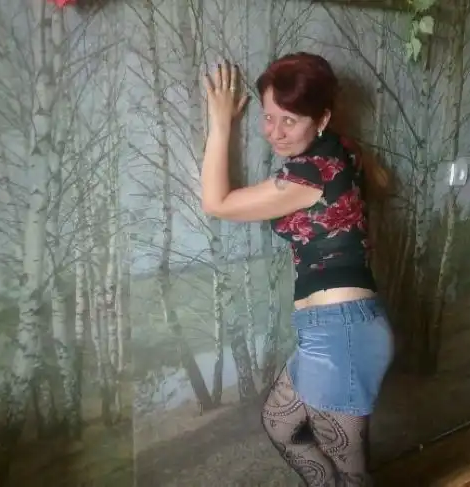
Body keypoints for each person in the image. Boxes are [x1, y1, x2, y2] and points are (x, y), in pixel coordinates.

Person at [200, 52, 394, 486]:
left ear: (321, 119)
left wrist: (220, 122)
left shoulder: (310, 173)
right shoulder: (341, 149)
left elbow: (217, 203)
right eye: (268, 117)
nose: (275, 132)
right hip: (330, 329)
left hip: (340, 334)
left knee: (354, 476)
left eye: (290, 120)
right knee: (280, 423)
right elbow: (378, 180)